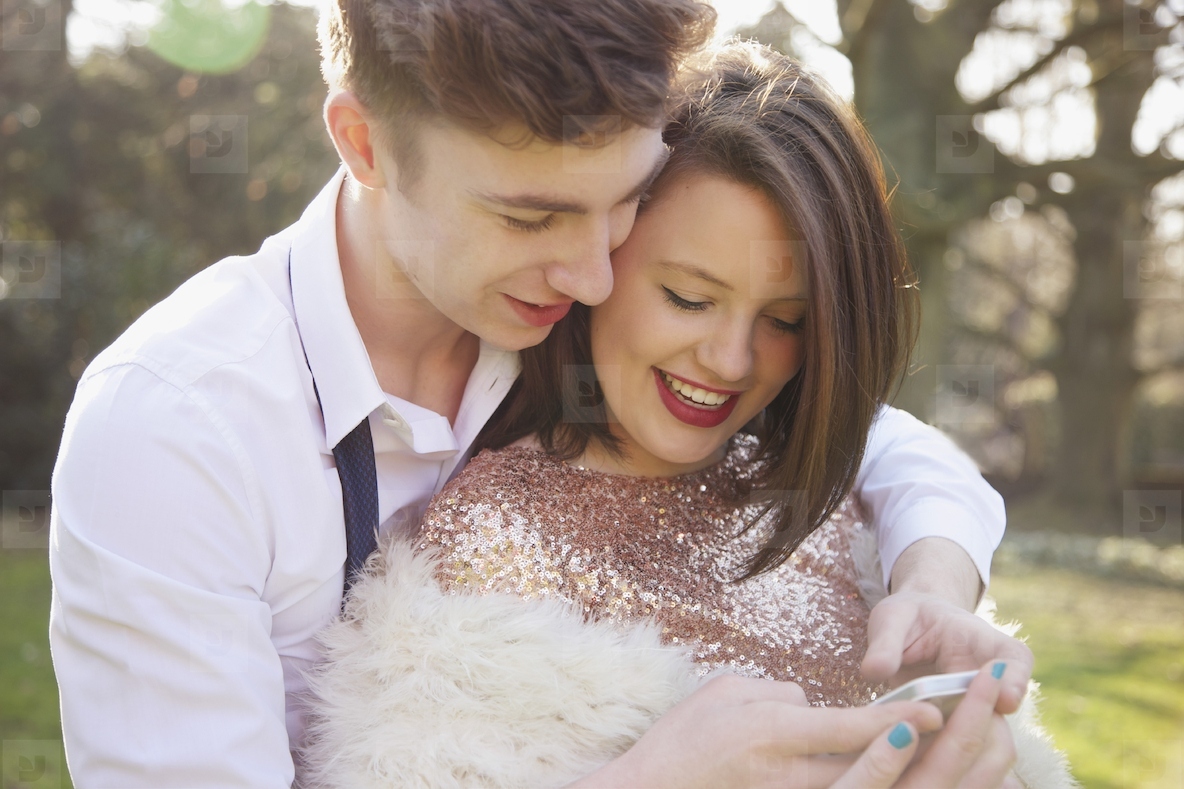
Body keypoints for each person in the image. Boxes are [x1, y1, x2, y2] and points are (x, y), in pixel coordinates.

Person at [49, 2, 1029, 786]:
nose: (595, 274)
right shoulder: (174, 432)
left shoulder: (579, 310)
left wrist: (931, 579)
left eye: (624, 203)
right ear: (364, 144)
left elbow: (883, 442)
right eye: (535, 214)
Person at [299, 41, 1074, 789]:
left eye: (786, 319)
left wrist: (935, 590)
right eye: (688, 298)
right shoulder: (498, 532)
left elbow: (905, 452)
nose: (731, 361)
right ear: (604, 255)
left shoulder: (820, 488)